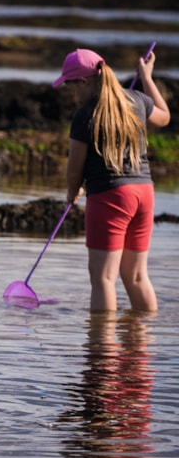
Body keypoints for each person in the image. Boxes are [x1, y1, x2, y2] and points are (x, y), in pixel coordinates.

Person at [57, 48, 170, 311]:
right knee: (137, 276)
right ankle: (141, 345)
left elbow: (74, 169)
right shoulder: (137, 100)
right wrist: (147, 78)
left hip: (110, 197)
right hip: (144, 193)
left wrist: (72, 192)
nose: (73, 94)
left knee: (103, 278)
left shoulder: (85, 115)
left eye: (72, 86)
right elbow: (164, 117)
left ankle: (102, 350)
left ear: (84, 81)